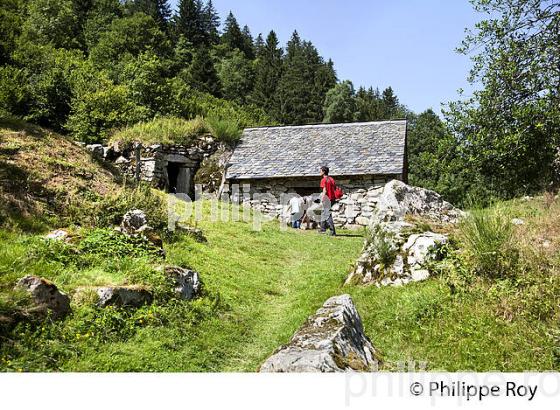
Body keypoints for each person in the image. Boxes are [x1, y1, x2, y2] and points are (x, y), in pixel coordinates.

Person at [319, 166, 336, 236]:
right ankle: (322, 229)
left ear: (323, 172)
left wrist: (322, 199)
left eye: (320, 171)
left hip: (326, 199)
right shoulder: (331, 179)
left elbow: (324, 190)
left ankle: (332, 232)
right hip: (332, 199)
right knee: (324, 213)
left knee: (328, 215)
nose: (319, 172)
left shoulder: (324, 180)